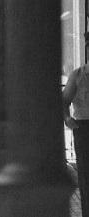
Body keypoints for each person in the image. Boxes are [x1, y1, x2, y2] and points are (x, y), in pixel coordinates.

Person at [63, 62, 89, 216]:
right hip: (84, 128)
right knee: (86, 175)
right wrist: (67, 118)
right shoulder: (78, 75)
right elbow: (64, 101)